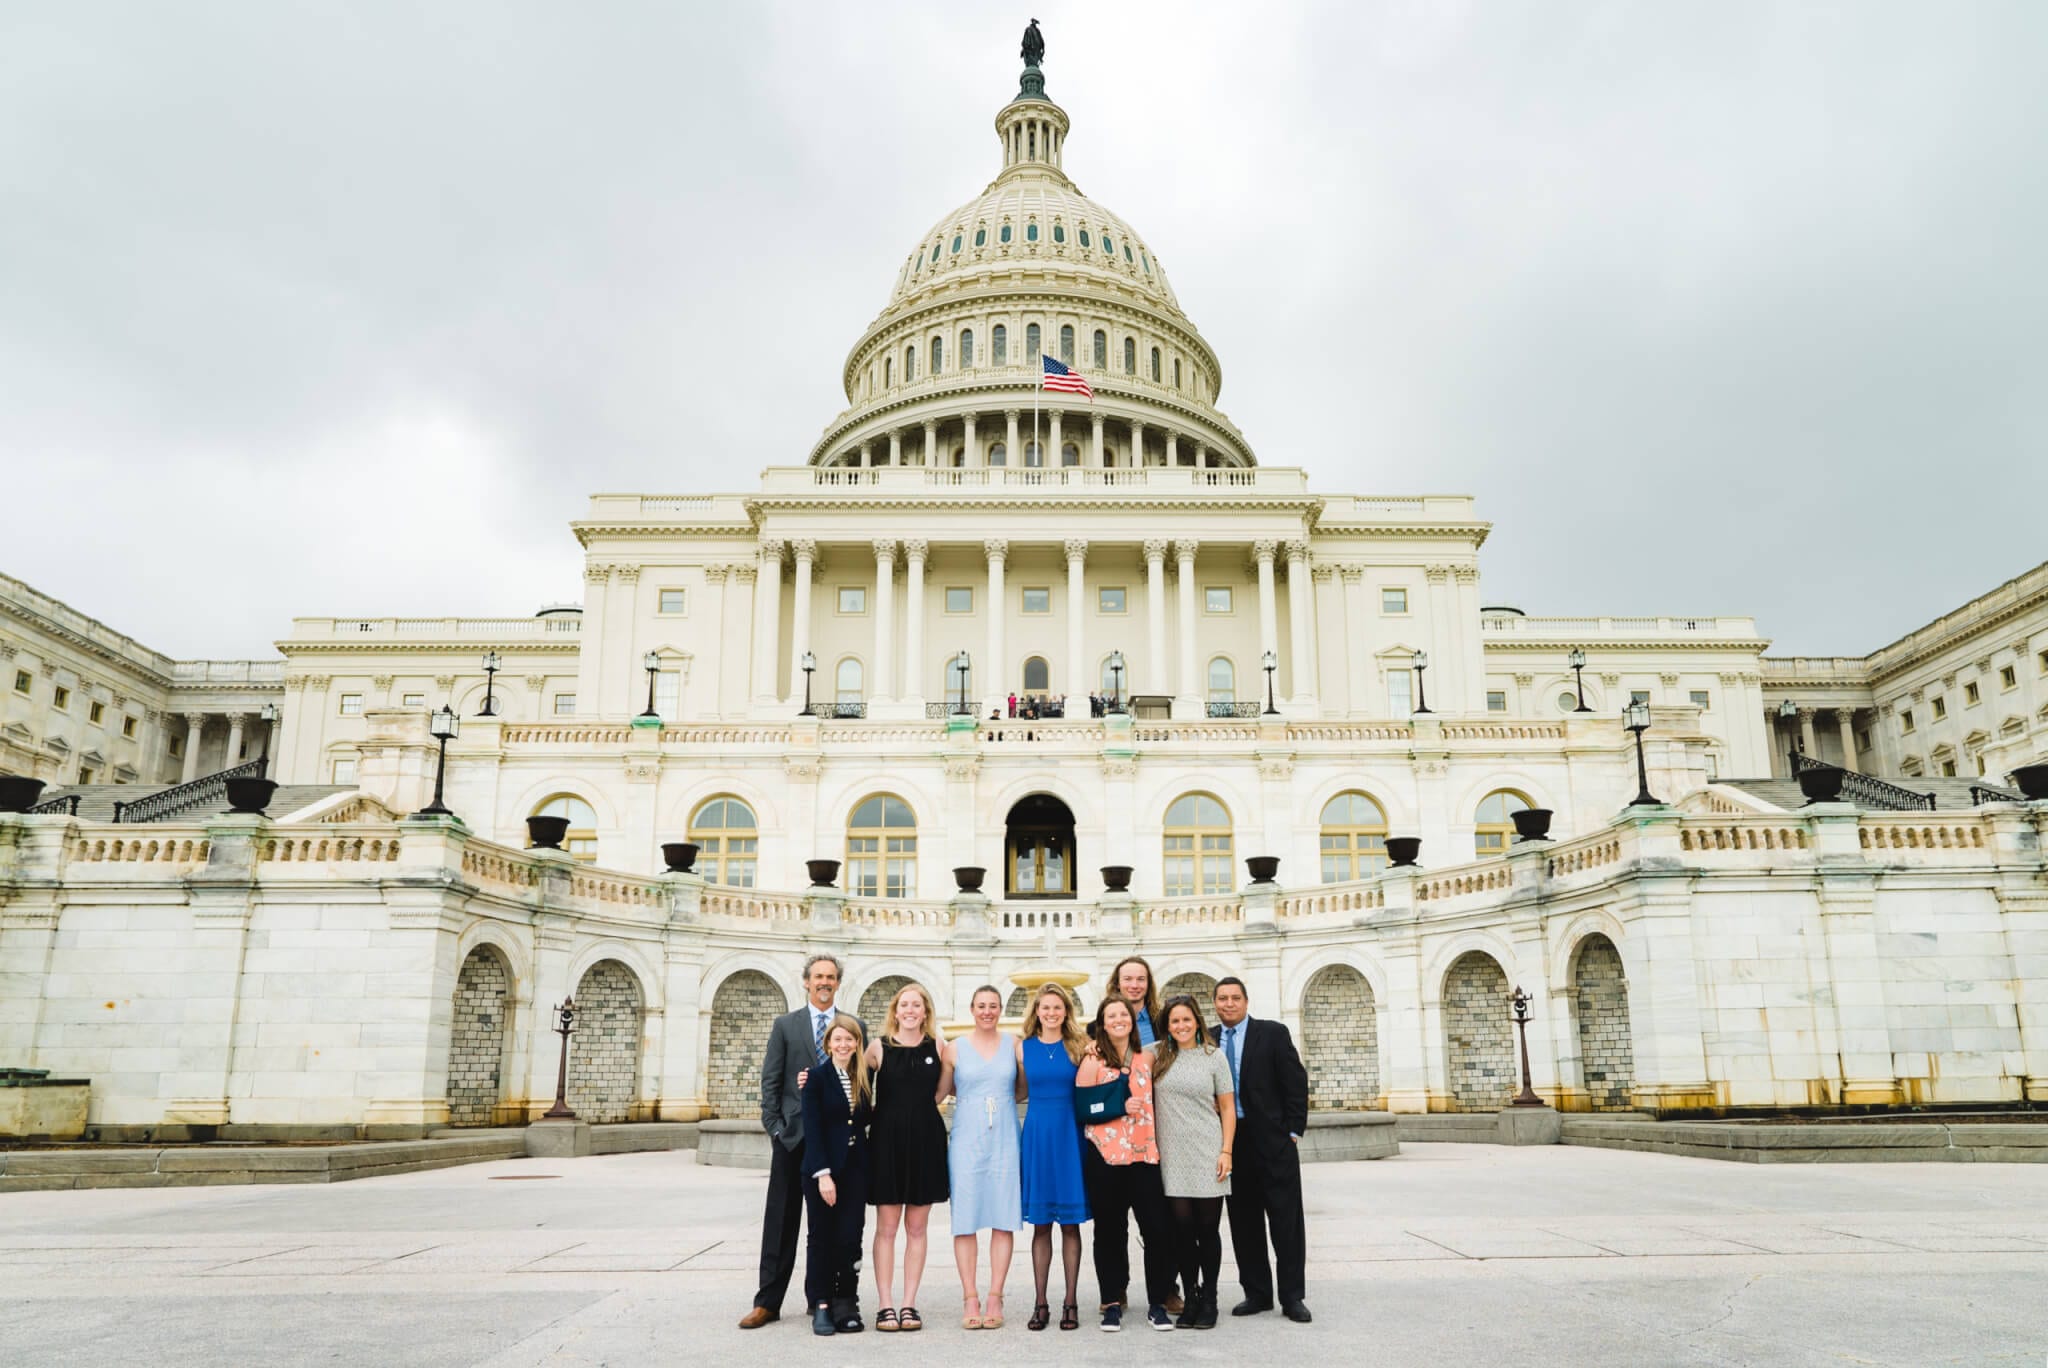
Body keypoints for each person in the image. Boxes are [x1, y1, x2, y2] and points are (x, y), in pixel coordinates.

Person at [741, 953, 846, 1329]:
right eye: (818, 976)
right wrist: (775, 1128)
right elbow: (770, 1080)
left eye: (830, 977)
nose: (824, 982)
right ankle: (768, 1302)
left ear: (838, 983)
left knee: (828, 1225)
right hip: (792, 1139)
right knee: (781, 1221)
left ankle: (821, 1297)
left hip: (833, 1141)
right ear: (806, 981)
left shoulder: (851, 1027)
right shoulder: (786, 1025)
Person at [1212, 977, 1313, 1322]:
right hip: (1230, 1141)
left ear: (1246, 1001)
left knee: (1286, 1222)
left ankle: (1292, 1297)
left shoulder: (1272, 1033)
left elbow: (1295, 1083)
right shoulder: (1206, 1038)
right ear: (1214, 1003)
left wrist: (1293, 1131)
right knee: (1244, 1222)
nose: (1228, 1003)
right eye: (1222, 998)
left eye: (1234, 998)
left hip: (1272, 1141)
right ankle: (1257, 1294)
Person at [1076, 996, 1178, 1333]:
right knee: (1109, 1230)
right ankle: (1111, 1301)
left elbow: (1180, 1044)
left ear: (1133, 1021)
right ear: (1102, 1023)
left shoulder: (1147, 1057)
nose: (1119, 1019)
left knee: (1157, 1229)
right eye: (1111, 1015)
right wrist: (1119, 1105)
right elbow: (1083, 1108)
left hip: (1144, 1154)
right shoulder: (1092, 1060)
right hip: (1105, 1156)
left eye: (1124, 1014)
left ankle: (1157, 1303)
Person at [864, 983, 951, 1332]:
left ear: (925, 1011)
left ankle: (909, 1304)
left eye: (917, 1005)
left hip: (926, 1142)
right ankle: (885, 1305)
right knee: (886, 1228)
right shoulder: (877, 1048)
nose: (910, 1010)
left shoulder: (939, 1046)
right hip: (887, 1144)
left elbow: (941, 1092)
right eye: (904, 1005)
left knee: (917, 1228)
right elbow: (855, 1087)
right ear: (895, 1011)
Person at [1150, 993, 1236, 1330]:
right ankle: (1191, 1297)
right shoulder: (1157, 1054)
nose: (1181, 1025)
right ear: (1167, 1025)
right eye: (1175, 1021)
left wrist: (1226, 1151)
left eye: (1187, 1019)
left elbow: (1227, 1107)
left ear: (1197, 1022)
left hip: (1207, 1150)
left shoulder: (1214, 1057)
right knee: (1182, 1232)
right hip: (1172, 1154)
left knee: (1207, 1230)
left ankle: (1210, 1298)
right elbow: (1119, 1052)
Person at [945, 984, 1022, 1329]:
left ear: (1000, 1009)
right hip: (967, 1137)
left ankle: (995, 1295)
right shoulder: (953, 1048)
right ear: (972, 1009)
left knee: (1003, 1216)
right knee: (966, 1217)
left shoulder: (1015, 1044)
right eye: (981, 1005)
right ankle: (970, 1296)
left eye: (993, 1005)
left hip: (1004, 1136)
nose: (987, 1011)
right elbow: (941, 1090)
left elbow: (1022, 1088)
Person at [1017, 983, 1090, 1331]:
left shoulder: (1081, 1046)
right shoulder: (1022, 1048)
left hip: (1069, 1134)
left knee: (1071, 1225)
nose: (1051, 1013)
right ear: (1037, 1011)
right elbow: (1017, 1091)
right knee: (1041, 1224)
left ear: (1066, 1011)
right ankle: (1041, 1303)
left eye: (1057, 1007)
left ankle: (1071, 1302)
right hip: (1037, 1133)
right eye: (1045, 1007)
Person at [801, 1014, 874, 1336]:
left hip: (855, 1170)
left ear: (857, 1043)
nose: (843, 1045)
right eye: (838, 1039)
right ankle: (821, 1303)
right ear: (828, 1043)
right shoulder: (815, 1078)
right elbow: (813, 1128)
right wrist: (823, 1175)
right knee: (821, 1238)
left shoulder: (863, 1078)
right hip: (823, 1172)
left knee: (850, 1237)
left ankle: (846, 1301)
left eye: (849, 1039)